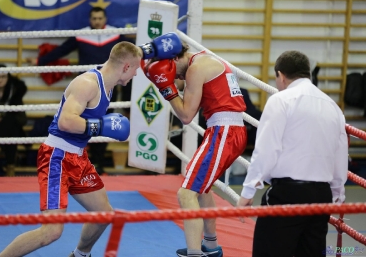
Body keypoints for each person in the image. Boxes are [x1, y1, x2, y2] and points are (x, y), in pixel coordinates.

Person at [0, 41, 142, 257]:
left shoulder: (108, 85)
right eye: (136, 69)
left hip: (77, 157)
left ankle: (80, 255)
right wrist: (101, 126)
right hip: (56, 157)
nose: (136, 75)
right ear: (127, 67)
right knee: (51, 232)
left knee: (103, 214)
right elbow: (66, 122)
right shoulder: (87, 83)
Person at [142, 35, 247, 257]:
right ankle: (210, 246)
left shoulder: (195, 69)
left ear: (173, 58)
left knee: (186, 193)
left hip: (225, 132)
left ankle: (194, 254)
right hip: (225, 130)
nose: (175, 76)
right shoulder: (203, 60)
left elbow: (186, 115)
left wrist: (167, 88)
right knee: (199, 187)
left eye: (171, 70)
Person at [237, 50, 348, 257]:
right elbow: (340, 155)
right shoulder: (333, 107)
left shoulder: (281, 100)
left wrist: (248, 191)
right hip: (320, 196)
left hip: (288, 194)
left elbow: (266, 150)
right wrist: (337, 195)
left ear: (281, 75)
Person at [27, 6, 135, 175]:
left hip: (108, 88)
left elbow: (133, 53)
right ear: (90, 20)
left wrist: (153, 57)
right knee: (82, 123)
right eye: (94, 18)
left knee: (106, 125)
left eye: (100, 18)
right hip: (87, 89)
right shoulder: (81, 34)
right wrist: (40, 60)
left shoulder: (117, 35)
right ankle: (83, 159)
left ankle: (97, 161)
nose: (97, 21)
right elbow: (62, 50)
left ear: (105, 19)